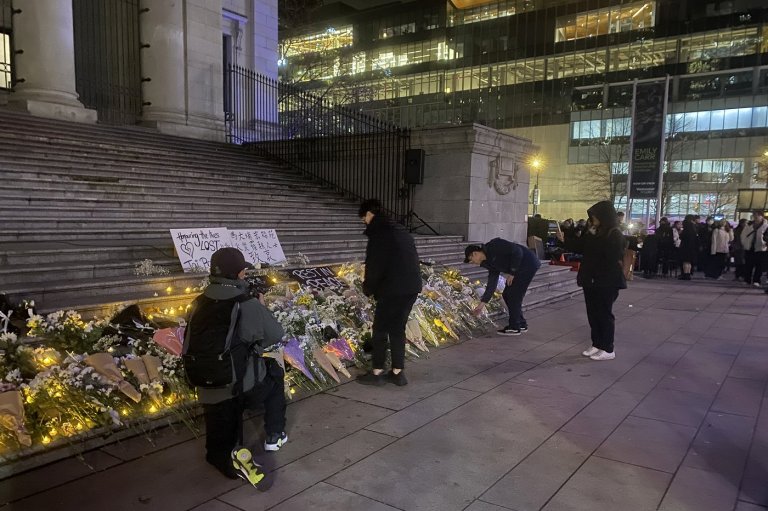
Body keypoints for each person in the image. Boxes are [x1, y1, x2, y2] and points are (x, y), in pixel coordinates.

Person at [185, 247, 287, 486]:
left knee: (218, 440)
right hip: (238, 385)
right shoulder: (245, 303)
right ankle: (274, 435)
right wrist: (261, 308)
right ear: (241, 274)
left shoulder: (198, 302)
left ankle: (220, 453)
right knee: (274, 372)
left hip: (204, 382)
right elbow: (274, 334)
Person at [356, 199, 422, 387]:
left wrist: (368, 288)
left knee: (380, 329)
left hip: (393, 288)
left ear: (369, 214)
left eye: (363, 218)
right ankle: (397, 372)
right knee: (397, 328)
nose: (364, 222)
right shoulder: (399, 230)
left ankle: (377, 372)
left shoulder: (380, 233)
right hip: (411, 287)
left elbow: (375, 265)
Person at [574, 201, 626, 361]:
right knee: (593, 313)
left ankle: (608, 347)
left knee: (604, 313)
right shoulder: (593, 232)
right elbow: (582, 249)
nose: (593, 220)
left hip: (606, 280)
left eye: (595, 217)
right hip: (590, 279)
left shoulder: (614, 234)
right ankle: (597, 343)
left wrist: (595, 240)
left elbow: (610, 257)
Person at [465, 238, 541, 335]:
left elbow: (517, 251)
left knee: (513, 295)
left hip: (527, 264)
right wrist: (482, 304)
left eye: (471, 260)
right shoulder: (489, 263)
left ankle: (514, 326)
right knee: (507, 294)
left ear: (475, 253)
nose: (473, 263)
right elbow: (492, 284)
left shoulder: (494, 246)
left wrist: (512, 272)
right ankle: (520, 324)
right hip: (520, 268)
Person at [740, 211, 768, 287]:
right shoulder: (749, 225)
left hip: (761, 248)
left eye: (757, 216)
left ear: (762, 216)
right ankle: (747, 279)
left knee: (759, 265)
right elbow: (743, 235)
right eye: (754, 216)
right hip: (749, 247)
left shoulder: (766, 225)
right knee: (748, 265)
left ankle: (756, 280)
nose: (755, 217)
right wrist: (745, 243)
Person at [678, 215, 699, 280]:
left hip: (685, 246)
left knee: (685, 261)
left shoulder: (685, 226)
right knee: (689, 262)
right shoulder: (693, 227)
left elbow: (682, 237)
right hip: (692, 246)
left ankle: (685, 274)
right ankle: (688, 274)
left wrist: (680, 234)